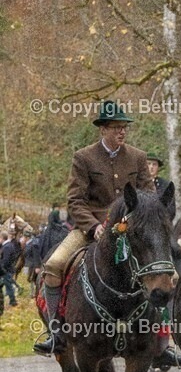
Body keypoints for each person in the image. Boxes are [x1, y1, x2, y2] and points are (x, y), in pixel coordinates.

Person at [33, 101, 156, 355]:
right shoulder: (84, 157)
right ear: (103, 129)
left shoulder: (138, 157)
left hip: (130, 231)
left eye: (124, 127)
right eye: (116, 127)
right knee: (54, 266)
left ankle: (160, 342)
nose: (122, 132)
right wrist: (93, 226)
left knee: (165, 270)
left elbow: (149, 197)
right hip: (90, 229)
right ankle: (56, 333)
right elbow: (75, 201)